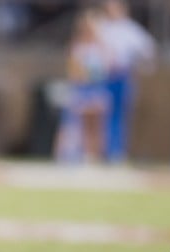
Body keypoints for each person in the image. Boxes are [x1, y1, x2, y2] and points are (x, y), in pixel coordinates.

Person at [95, 0, 155, 164]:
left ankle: (117, 152)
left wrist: (140, 66)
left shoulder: (130, 29)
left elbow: (148, 49)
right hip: (104, 77)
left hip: (123, 76)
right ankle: (101, 151)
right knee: (102, 115)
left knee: (120, 115)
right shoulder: (100, 26)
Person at [54, 7, 112, 164]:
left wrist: (92, 74)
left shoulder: (101, 47)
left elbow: (107, 68)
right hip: (81, 89)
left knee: (96, 125)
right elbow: (73, 72)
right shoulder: (77, 46)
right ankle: (65, 156)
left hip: (96, 88)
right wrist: (85, 75)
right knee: (72, 124)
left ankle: (94, 157)